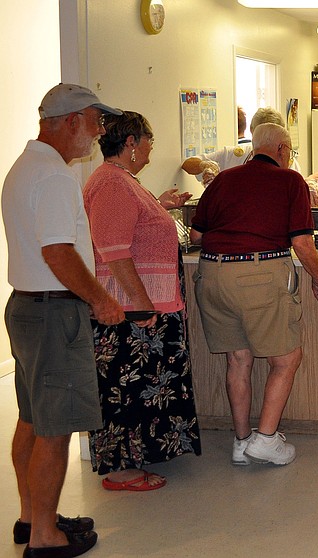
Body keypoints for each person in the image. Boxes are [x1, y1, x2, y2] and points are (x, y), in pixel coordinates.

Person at [2, 83, 124, 557]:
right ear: (71, 120)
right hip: (55, 312)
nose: (98, 134)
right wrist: (99, 300)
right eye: (95, 123)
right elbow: (58, 252)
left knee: (32, 419)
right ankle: (45, 538)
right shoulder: (53, 177)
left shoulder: (24, 167)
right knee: (55, 429)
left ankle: (33, 516)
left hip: (27, 307)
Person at [190, 123, 318, 466]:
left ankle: (242, 442)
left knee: (238, 360)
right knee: (285, 359)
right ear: (283, 150)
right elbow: (301, 241)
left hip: (211, 275)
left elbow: (196, 236)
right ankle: (267, 438)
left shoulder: (224, 178)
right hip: (259, 274)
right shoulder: (290, 181)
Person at [83, 110, 202, 492]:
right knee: (127, 388)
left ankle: (139, 457)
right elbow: (114, 251)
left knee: (147, 387)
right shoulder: (112, 184)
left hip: (143, 307)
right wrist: (141, 302)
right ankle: (121, 470)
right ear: (132, 143)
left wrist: (159, 207)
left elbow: (130, 230)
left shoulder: (123, 181)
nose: (152, 148)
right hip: (130, 312)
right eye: (149, 140)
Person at [181, 107, 301, 185]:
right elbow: (187, 164)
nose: (266, 141)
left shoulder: (289, 163)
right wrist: (205, 165)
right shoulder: (235, 154)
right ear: (251, 130)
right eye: (261, 134)